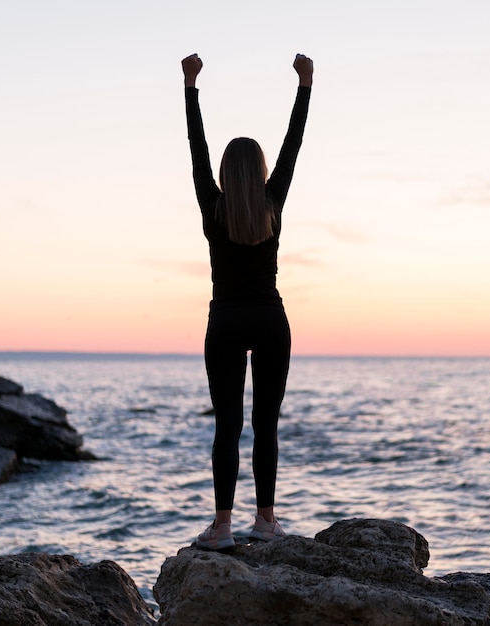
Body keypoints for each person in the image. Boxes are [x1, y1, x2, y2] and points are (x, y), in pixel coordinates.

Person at [182, 52, 313, 549]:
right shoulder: (272, 202)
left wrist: (191, 86)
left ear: (223, 172)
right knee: (266, 426)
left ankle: (221, 528)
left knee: (227, 427)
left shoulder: (211, 207)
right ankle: (265, 521)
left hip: (226, 323)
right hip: (270, 319)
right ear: (258, 171)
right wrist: (305, 86)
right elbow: (292, 145)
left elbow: (196, 144)